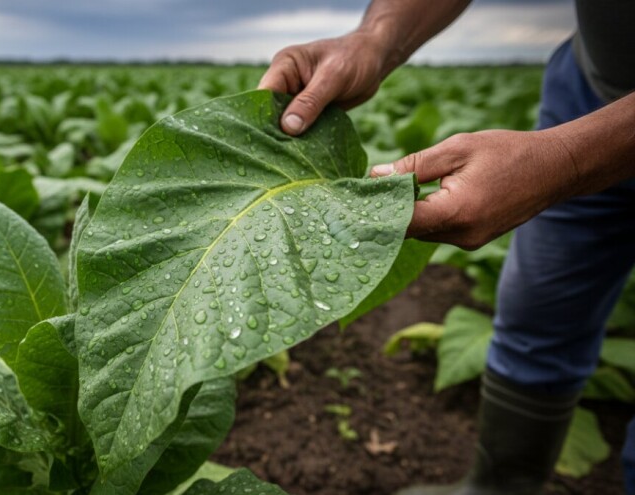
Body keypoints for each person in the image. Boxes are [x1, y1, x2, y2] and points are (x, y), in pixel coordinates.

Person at [258, 1, 635, 494]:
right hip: (589, 89)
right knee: (537, 310)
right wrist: (375, 38)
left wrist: (565, 160)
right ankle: (498, 486)